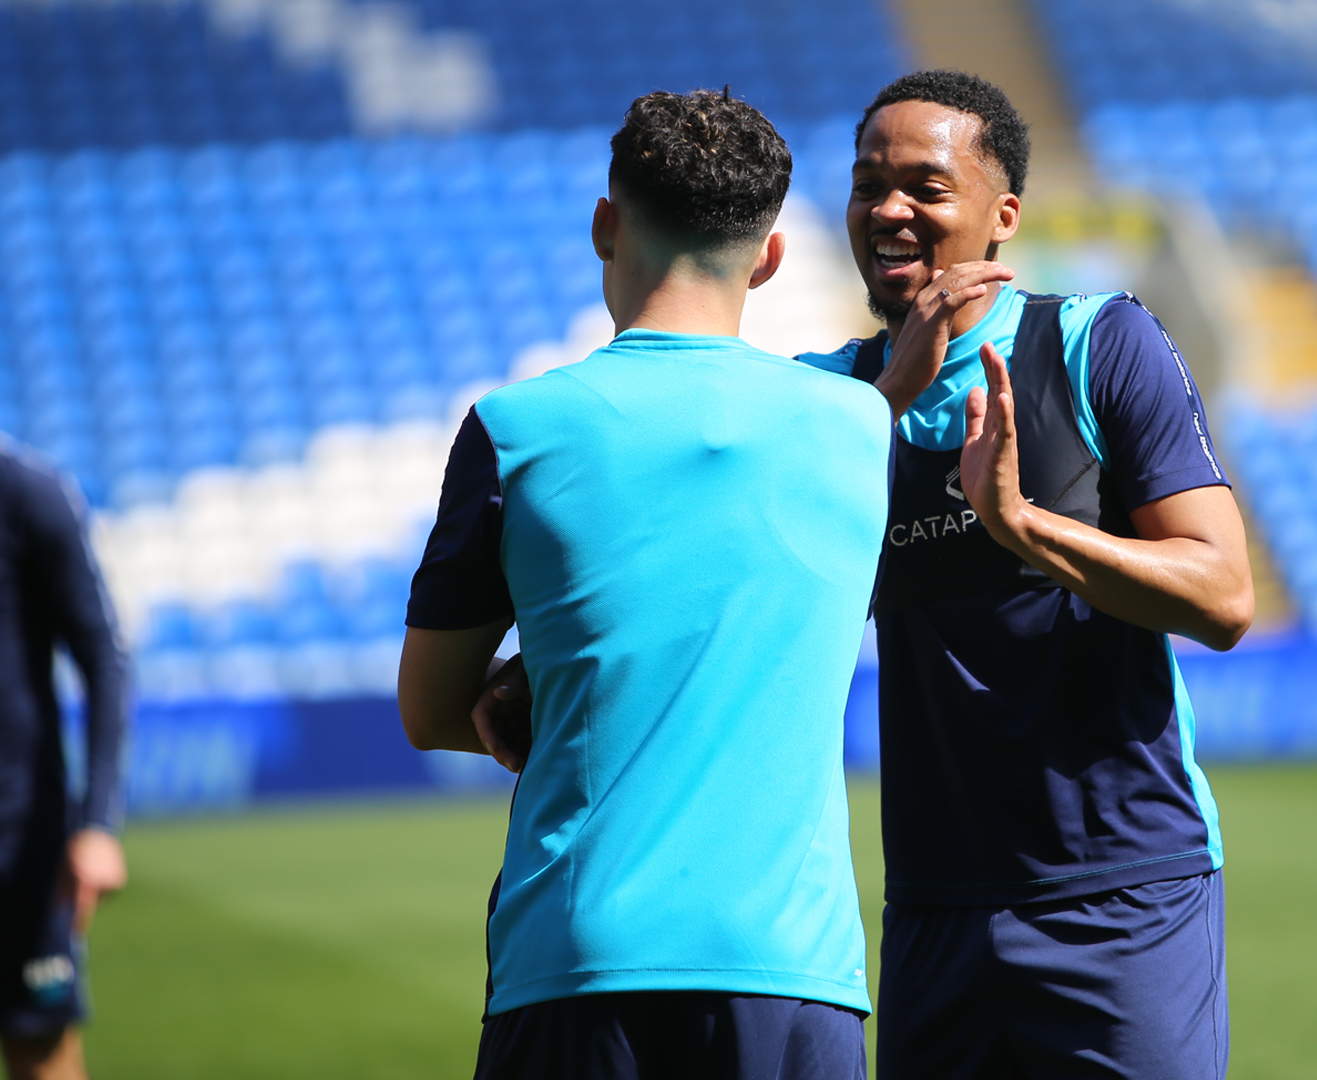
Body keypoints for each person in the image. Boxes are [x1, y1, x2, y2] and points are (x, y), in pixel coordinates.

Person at [474, 71, 1255, 1079]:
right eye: (867, 185)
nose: (888, 209)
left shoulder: (1096, 346)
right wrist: (533, 671)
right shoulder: (824, 403)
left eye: (925, 187)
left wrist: (1022, 528)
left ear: (1002, 213)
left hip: (1122, 892)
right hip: (930, 907)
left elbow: (1223, 595)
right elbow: (702, 583)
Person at [397, 89, 907, 1080]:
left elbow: (428, 710)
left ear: (604, 225)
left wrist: (531, 679)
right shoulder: (858, 429)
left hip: (577, 961)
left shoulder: (515, 430)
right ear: (770, 255)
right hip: (792, 972)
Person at [0, 439, 130, 1080]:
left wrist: (97, 822)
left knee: (40, 1050)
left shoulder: (25, 490)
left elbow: (103, 656)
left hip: (20, 840)